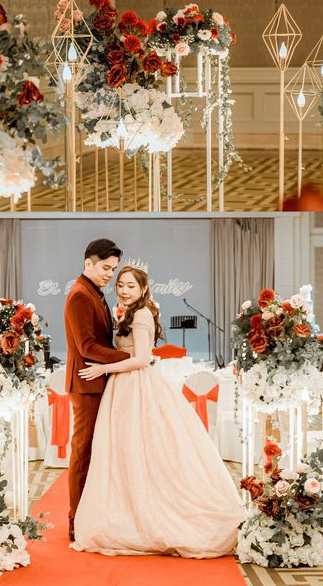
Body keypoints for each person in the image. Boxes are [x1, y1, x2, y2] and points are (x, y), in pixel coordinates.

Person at [72, 263, 242, 557]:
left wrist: (104, 369)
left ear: (144, 289)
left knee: (145, 449)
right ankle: (128, 508)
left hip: (136, 385)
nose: (124, 290)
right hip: (123, 387)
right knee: (125, 452)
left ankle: (151, 511)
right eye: (121, 285)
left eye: (131, 286)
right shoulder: (128, 310)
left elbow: (141, 359)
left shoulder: (141, 313)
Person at [63, 238, 131, 543]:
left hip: (97, 382)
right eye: (105, 268)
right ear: (88, 263)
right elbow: (87, 347)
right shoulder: (80, 295)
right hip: (87, 385)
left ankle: (91, 515)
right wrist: (131, 358)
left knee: (94, 452)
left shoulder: (92, 292)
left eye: (112, 269)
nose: (109, 274)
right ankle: (76, 521)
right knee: (83, 454)